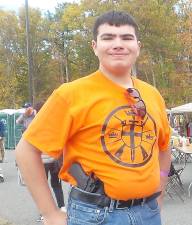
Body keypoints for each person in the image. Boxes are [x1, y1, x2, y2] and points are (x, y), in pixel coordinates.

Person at [15, 10, 171, 225]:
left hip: (149, 212)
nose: (118, 44)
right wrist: (50, 213)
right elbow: (26, 151)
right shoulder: (70, 94)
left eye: (127, 37)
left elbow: (163, 147)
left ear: (138, 47)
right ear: (94, 47)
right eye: (108, 38)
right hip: (96, 214)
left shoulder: (153, 95)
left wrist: (159, 188)